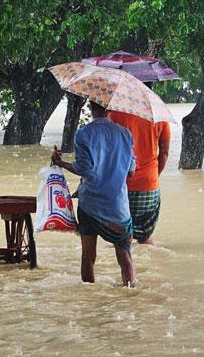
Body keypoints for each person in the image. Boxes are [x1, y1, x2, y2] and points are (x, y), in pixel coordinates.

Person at [51, 101, 137, 286]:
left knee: (88, 256)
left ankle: (89, 301)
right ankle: (131, 296)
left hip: (90, 206)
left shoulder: (83, 134)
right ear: (110, 109)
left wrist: (61, 163)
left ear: (90, 107)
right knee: (125, 257)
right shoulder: (126, 134)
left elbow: (86, 170)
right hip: (118, 208)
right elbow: (130, 172)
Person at [108, 103, 170, 245]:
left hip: (121, 185)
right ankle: (146, 266)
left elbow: (110, 150)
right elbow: (164, 153)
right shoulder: (160, 116)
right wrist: (154, 175)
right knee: (145, 237)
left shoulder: (115, 115)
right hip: (149, 184)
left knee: (121, 239)